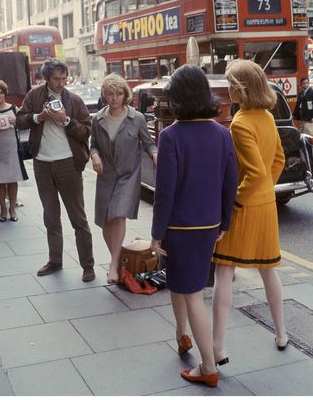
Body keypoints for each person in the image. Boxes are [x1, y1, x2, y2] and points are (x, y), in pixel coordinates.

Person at [151, 65, 237, 388]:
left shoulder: (170, 136)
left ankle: (208, 366)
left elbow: (165, 194)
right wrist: (225, 222)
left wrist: (157, 233)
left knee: (191, 295)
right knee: (182, 284)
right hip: (210, 225)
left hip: (180, 228)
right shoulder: (222, 133)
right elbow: (231, 182)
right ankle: (181, 334)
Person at [212, 60, 289, 365]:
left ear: (241, 89)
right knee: (268, 270)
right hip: (266, 205)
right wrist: (264, 192)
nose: (228, 88)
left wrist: (236, 201)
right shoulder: (267, 117)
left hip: (244, 209)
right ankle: (281, 333)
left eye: (231, 83)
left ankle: (218, 347)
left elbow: (253, 173)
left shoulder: (241, 123)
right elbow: (278, 161)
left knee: (223, 272)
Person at [16, 58, 95, 282]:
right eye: (56, 79)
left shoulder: (75, 100)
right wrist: (38, 117)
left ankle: (87, 265)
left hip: (68, 164)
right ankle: (55, 260)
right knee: (51, 216)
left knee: (78, 218)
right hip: (42, 163)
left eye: (64, 78)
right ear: (46, 79)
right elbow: (19, 121)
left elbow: (85, 132)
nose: (61, 83)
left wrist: (66, 120)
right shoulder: (34, 96)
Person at [90, 73, 157, 284]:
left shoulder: (136, 118)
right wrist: (94, 156)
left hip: (128, 175)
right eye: (110, 94)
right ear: (104, 95)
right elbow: (93, 145)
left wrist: (155, 154)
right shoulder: (97, 119)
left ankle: (113, 264)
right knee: (105, 222)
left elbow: (148, 143)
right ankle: (117, 261)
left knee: (119, 215)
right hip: (106, 175)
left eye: (119, 93)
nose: (114, 98)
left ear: (125, 95)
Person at [0, 80, 28, 222]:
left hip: (12, 150)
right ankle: (3, 210)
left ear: (5, 94)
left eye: (1, 92)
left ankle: (12, 209)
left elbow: (24, 125)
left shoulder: (14, 109)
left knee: (12, 180)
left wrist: (16, 121)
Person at [293, 77, 313, 151]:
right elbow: (298, 104)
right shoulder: (301, 93)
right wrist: (294, 114)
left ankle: (301, 145)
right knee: (311, 130)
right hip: (302, 114)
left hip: (309, 115)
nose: (305, 85)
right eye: (303, 83)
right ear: (301, 84)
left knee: (302, 130)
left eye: (306, 83)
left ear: (309, 83)